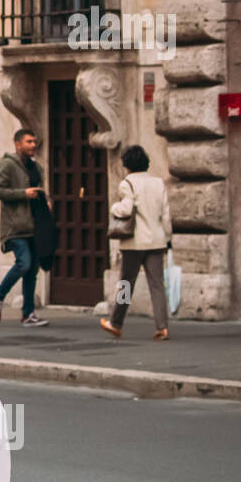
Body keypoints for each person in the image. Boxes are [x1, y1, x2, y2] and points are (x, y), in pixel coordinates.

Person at [101, 145, 173, 341]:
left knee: (126, 283)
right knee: (157, 285)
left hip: (134, 243)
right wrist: (168, 237)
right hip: (156, 240)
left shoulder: (127, 183)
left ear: (126, 164)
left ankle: (116, 323)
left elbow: (125, 209)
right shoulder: (159, 183)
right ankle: (162, 327)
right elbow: (166, 215)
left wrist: (114, 207)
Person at [0, 128, 54, 328]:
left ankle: (28, 314)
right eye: (28, 142)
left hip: (35, 225)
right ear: (17, 144)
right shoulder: (7, 164)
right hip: (15, 226)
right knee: (23, 263)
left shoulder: (36, 167)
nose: (33, 145)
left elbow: (40, 189)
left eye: (34, 142)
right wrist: (24, 193)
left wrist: (46, 201)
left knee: (32, 270)